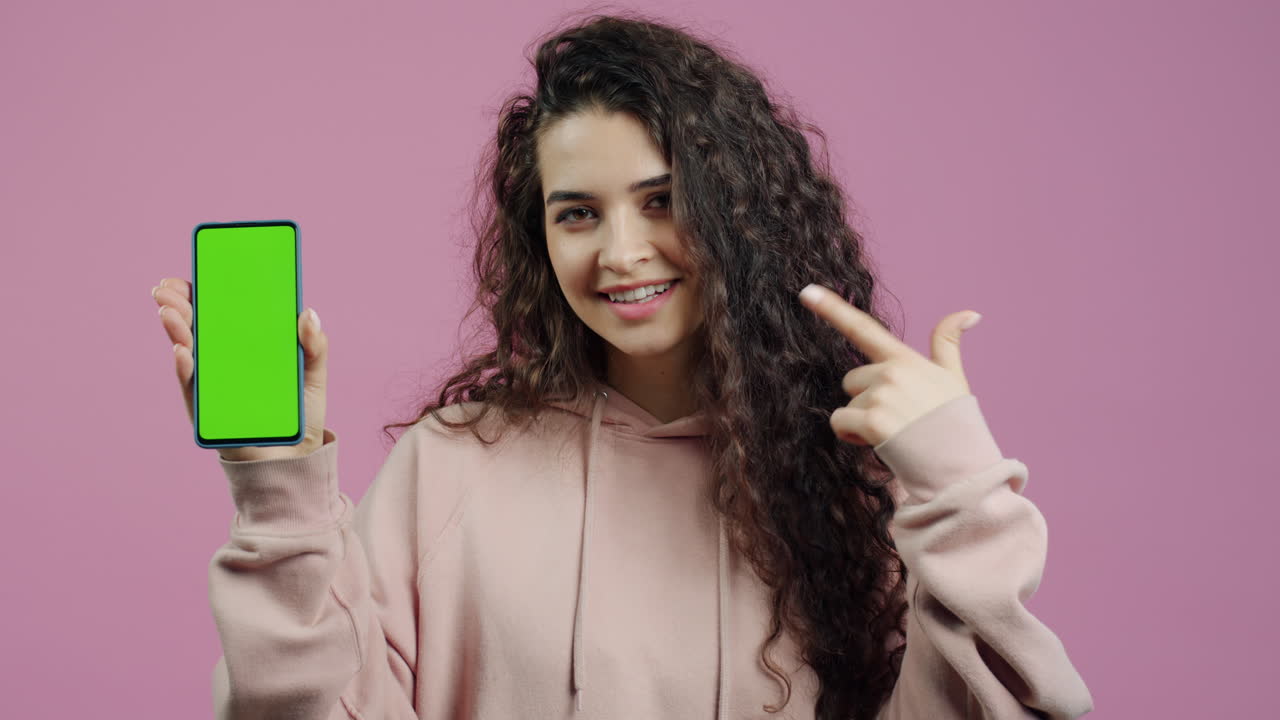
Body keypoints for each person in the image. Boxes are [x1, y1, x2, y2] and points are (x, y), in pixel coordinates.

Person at [153, 12, 1093, 720]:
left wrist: (963, 489)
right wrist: (276, 485)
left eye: (662, 199)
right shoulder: (455, 466)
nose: (622, 251)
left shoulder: (860, 479)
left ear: (741, 213)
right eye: (578, 213)